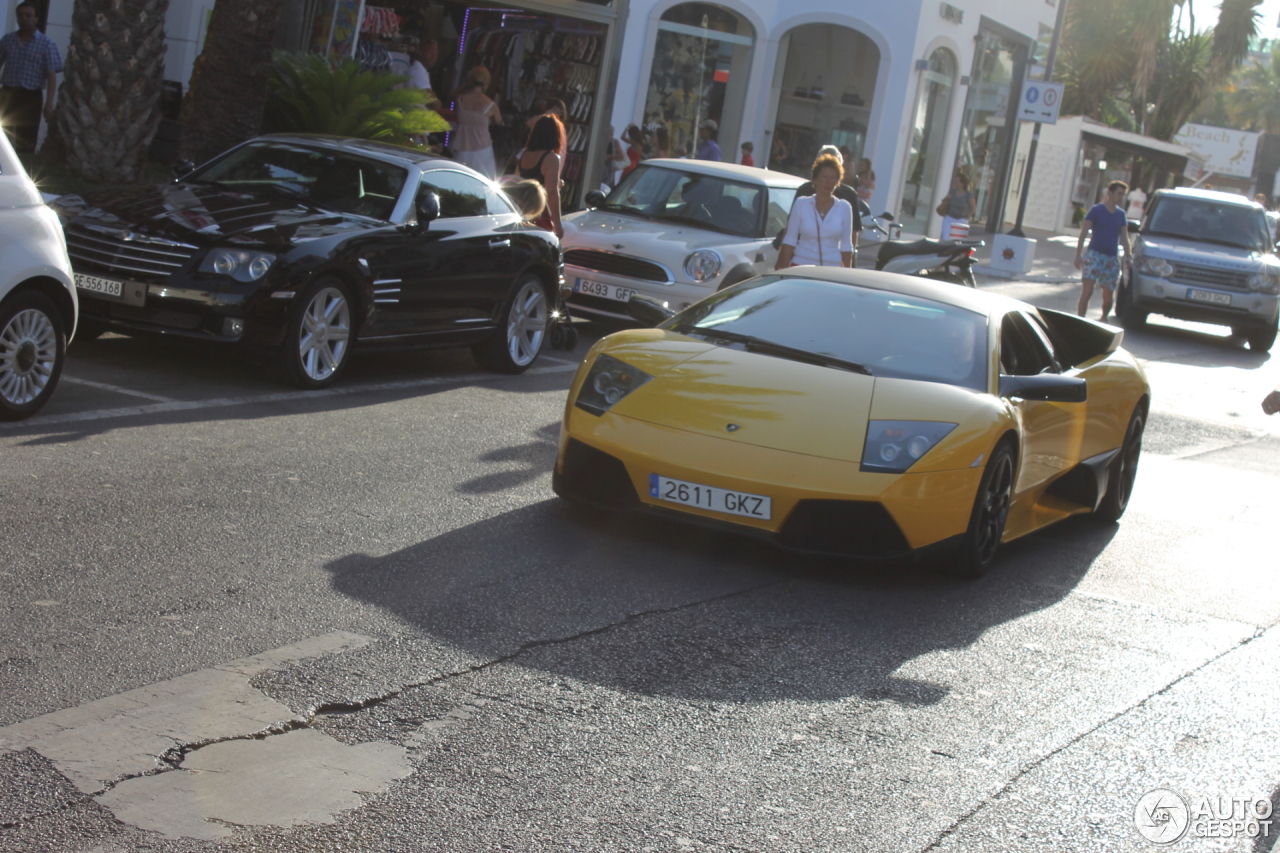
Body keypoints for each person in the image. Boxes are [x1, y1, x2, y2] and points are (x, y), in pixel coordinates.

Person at [0, 1, 62, 154]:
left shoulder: (46, 43)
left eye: (28, 15)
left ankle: (24, 169)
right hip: (7, 94)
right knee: (4, 135)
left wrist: (48, 104)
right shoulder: (7, 40)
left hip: (30, 96)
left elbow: (51, 76)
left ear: (36, 19)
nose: (24, 18)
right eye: (20, 15)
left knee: (26, 138)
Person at [775, 152, 855, 269]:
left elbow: (847, 247)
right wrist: (782, 268)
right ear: (815, 179)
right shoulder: (801, 204)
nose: (828, 181)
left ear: (837, 182)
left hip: (831, 269)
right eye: (824, 177)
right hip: (801, 265)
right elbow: (789, 240)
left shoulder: (845, 208)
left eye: (833, 177)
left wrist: (847, 276)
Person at [1074, 180, 1133, 322]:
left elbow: (1125, 238)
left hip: (1111, 258)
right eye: (1119, 194)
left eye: (1123, 195)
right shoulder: (1096, 210)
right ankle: (1079, 320)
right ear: (1110, 193)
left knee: (1108, 296)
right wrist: (1078, 255)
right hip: (1094, 255)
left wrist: (1128, 256)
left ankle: (1103, 317)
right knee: (1087, 291)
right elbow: (1083, 232)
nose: (1121, 197)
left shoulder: (1121, 214)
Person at [793, 145, 861, 260]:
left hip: (833, 262)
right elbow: (791, 230)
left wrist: (848, 261)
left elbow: (853, 234)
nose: (828, 179)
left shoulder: (849, 196)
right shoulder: (804, 192)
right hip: (802, 258)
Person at [517, 114, 564, 238]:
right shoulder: (552, 158)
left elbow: (517, 180)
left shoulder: (525, 155)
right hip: (540, 213)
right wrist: (558, 225)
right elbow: (552, 193)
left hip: (523, 210)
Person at [451, 66, 502, 179]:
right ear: (487, 82)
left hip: (462, 148)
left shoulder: (460, 99)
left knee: (456, 182)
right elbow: (499, 123)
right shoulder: (491, 105)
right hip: (483, 151)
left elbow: (456, 117)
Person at [936, 173, 976, 241]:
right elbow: (944, 201)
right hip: (949, 218)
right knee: (945, 238)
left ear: (962, 183)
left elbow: (973, 208)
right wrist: (947, 198)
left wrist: (967, 217)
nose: (955, 182)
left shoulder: (968, 195)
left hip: (962, 220)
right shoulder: (952, 192)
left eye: (957, 181)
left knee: (959, 241)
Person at [407, 38, 441, 112]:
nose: (434, 57)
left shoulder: (421, 70)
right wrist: (435, 98)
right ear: (420, 52)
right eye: (431, 53)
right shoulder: (417, 71)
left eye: (436, 54)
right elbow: (434, 104)